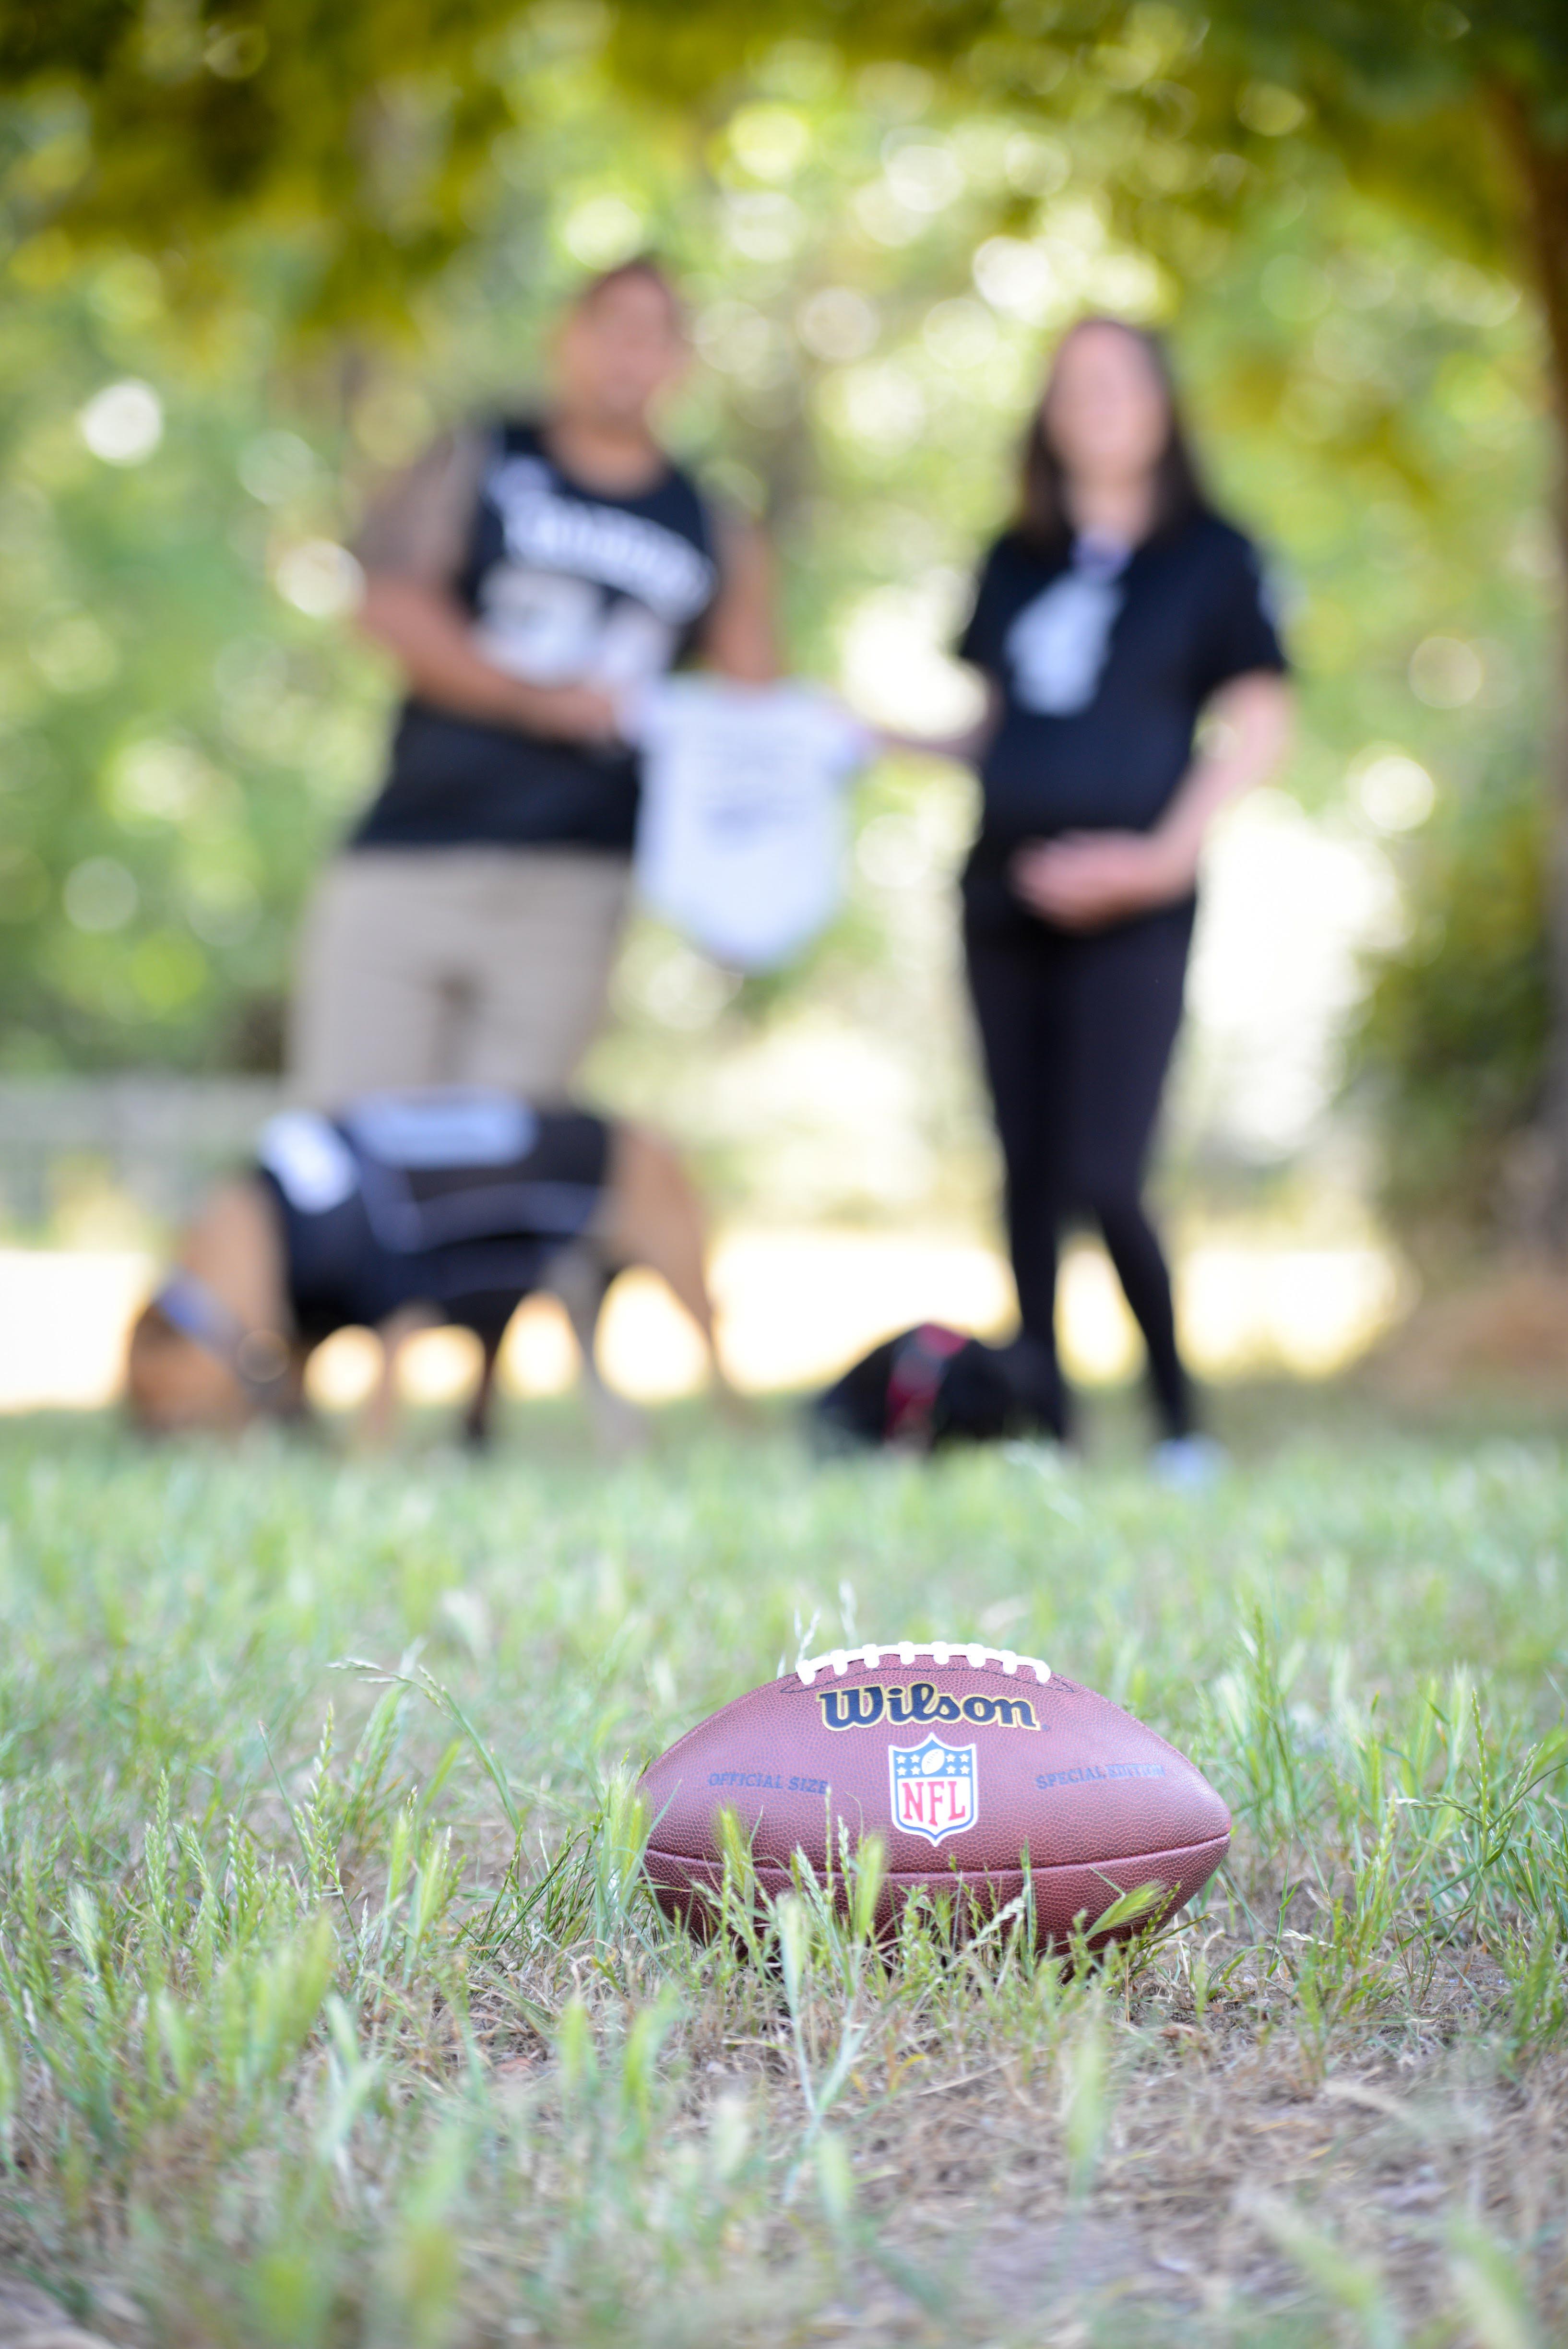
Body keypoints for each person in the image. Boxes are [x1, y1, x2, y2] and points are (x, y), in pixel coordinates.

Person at [288, 257, 777, 1105]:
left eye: (653, 335)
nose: (628, 354)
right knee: (354, 1146)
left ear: (681, 363)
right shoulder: (481, 457)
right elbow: (385, 599)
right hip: (414, 850)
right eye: (610, 326)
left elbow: (755, 705)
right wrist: (532, 699)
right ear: (565, 337)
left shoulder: (713, 523)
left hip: (576, 880)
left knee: (507, 1171)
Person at [951, 316, 1292, 1474]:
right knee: (1027, 1170)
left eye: (1115, 380)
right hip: (1000, 898)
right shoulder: (1015, 557)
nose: (1091, 401)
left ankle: (1176, 1421)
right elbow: (994, 731)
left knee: (1106, 1170)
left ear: (1159, 404)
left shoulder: (1212, 557)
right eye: (1068, 383)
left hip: (1134, 906)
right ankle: (1042, 1423)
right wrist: (854, 737)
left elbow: (1256, 724)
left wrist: (1155, 858)